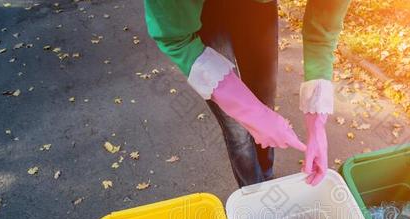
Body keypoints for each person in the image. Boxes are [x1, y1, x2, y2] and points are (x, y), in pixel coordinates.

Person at [144, 0, 351, 187]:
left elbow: (322, 30)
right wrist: (252, 114)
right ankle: (253, 191)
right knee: (238, 128)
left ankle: (266, 179)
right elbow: (176, 40)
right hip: (203, 11)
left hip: (257, 10)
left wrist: (316, 127)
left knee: (265, 102)